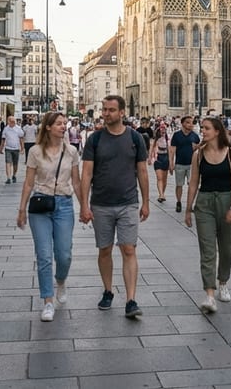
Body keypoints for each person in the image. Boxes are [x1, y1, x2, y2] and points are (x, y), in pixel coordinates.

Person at [79, 95, 150, 319]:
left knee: (129, 249)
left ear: (122, 113)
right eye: (104, 109)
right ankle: (108, 291)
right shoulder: (95, 139)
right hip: (101, 203)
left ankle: (130, 299)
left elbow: (142, 171)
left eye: (110, 110)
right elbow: (87, 173)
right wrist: (84, 204)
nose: (105, 113)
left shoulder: (135, 138)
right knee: (105, 249)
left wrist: (146, 202)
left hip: (128, 202)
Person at [17, 111, 81, 322]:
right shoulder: (35, 151)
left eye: (65, 124)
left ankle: (60, 280)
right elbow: (28, 182)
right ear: (48, 127)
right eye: (59, 124)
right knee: (44, 256)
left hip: (64, 204)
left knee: (64, 254)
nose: (64, 127)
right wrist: (21, 210)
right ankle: (48, 301)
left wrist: (85, 208)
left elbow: (77, 182)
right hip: (40, 205)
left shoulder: (71, 151)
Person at [184, 117, 231, 314]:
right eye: (202, 128)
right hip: (205, 203)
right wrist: (188, 208)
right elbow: (193, 183)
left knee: (226, 248)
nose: (203, 131)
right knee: (207, 250)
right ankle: (209, 294)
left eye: (207, 128)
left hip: (227, 201)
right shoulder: (198, 155)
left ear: (217, 131)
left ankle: (223, 281)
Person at [169, 116, 201, 213]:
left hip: (192, 165)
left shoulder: (195, 136)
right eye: (188, 122)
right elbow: (172, 150)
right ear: (182, 124)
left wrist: (197, 147)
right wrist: (171, 163)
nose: (191, 125)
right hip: (180, 163)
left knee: (192, 185)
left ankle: (190, 204)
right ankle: (178, 202)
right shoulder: (177, 135)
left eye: (192, 123)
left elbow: (198, 150)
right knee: (179, 184)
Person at [0, 115, 25, 185]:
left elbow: (21, 138)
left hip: (16, 148)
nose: (13, 122)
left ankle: (14, 175)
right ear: (8, 122)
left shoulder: (18, 129)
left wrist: (22, 148)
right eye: (11, 121)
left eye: (14, 121)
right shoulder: (6, 129)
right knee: (8, 162)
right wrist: (0, 148)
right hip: (8, 148)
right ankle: (8, 178)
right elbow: (3, 139)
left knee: (15, 164)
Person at [152, 124, 170, 203]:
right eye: (162, 129)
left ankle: (162, 193)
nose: (163, 131)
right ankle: (161, 195)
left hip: (165, 158)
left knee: (164, 179)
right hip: (158, 158)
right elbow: (152, 148)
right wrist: (150, 158)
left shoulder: (168, 139)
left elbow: (170, 151)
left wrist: (171, 161)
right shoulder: (156, 139)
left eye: (164, 129)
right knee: (159, 178)